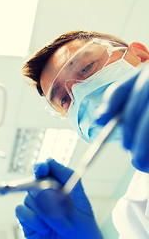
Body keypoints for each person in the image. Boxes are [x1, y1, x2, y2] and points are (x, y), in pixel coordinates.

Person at [15, 30, 149, 238]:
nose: (80, 93)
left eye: (86, 67)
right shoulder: (134, 213)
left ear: (140, 56)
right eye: (64, 100)